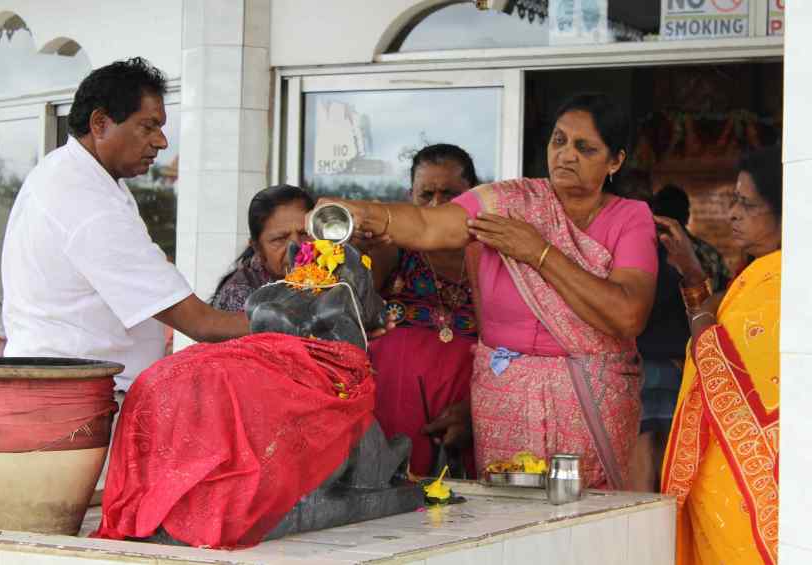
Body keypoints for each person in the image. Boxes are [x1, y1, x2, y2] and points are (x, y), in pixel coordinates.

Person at [326, 93, 658, 488]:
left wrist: (539, 253)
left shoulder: (630, 218)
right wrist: (362, 214)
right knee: (505, 511)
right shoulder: (509, 202)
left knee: (588, 513)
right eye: (559, 140)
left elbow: (628, 314)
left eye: (585, 148)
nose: (566, 155)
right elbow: (429, 226)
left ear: (615, 161)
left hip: (590, 402)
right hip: (506, 399)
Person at [1, 57, 248, 392]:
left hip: (72, 387)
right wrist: (294, 324)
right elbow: (201, 323)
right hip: (76, 397)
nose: (161, 142)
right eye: (148, 127)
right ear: (100, 123)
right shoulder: (84, 198)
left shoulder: (75, 174)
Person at [660, 146, 782, 565]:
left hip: (747, 487)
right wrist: (693, 276)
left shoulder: (781, 284)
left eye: (747, 204)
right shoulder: (759, 274)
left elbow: (721, 374)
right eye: (733, 200)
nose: (732, 214)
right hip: (724, 476)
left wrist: (696, 294)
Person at [367, 144, 479, 478]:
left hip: (470, 413)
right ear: (410, 197)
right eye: (426, 195)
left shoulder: (492, 256)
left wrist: (474, 411)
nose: (436, 205)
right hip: (392, 411)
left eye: (450, 195)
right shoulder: (391, 249)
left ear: (474, 197)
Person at [631, 184, 731, 492]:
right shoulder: (705, 254)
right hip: (682, 362)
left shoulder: (635, 253)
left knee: (642, 444)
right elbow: (721, 306)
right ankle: (669, 514)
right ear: (686, 215)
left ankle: (644, 514)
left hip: (642, 361)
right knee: (674, 446)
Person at [210, 185, 315, 312]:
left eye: (305, 234)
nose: (297, 248)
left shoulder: (329, 272)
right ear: (257, 248)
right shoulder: (240, 295)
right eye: (280, 239)